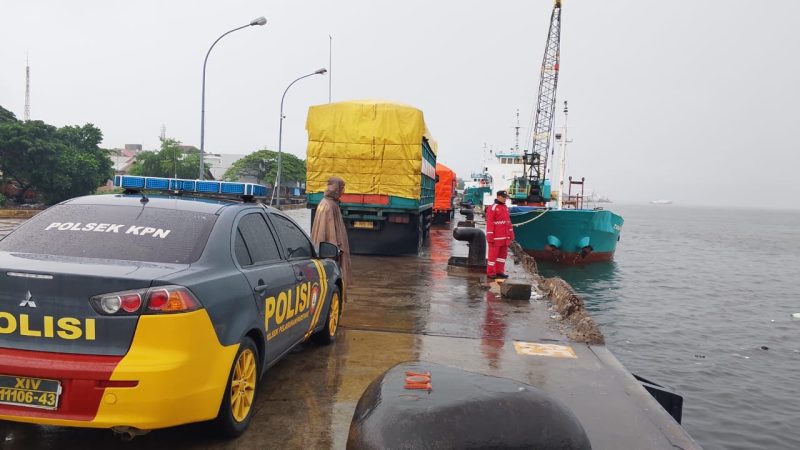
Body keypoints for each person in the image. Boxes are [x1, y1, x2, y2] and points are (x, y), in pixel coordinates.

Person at [310, 176, 352, 292]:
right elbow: (329, 233)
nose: (344, 191)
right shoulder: (329, 206)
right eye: (342, 188)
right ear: (337, 189)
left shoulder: (329, 203)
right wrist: (335, 250)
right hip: (330, 254)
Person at [485, 190, 514, 280]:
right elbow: (490, 223)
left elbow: (508, 223)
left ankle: (499, 271)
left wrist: (511, 235)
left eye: (506, 198)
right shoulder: (493, 208)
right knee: (492, 257)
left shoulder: (505, 208)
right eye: (503, 197)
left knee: (502, 257)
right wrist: (490, 237)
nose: (505, 199)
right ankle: (491, 272)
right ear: (498, 197)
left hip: (504, 238)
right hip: (495, 238)